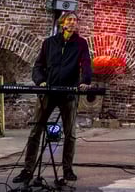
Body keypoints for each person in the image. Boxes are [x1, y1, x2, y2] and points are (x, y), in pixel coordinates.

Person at [13, 12, 92, 184]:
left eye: (75, 20)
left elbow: (86, 63)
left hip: (68, 93)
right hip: (48, 92)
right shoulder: (49, 43)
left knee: (70, 133)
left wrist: (85, 81)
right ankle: (28, 170)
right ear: (62, 23)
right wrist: (40, 81)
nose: (73, 23)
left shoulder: (81, 44)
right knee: (35, 132)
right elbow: (38, 66)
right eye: (69, 20)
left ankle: (67, 169)